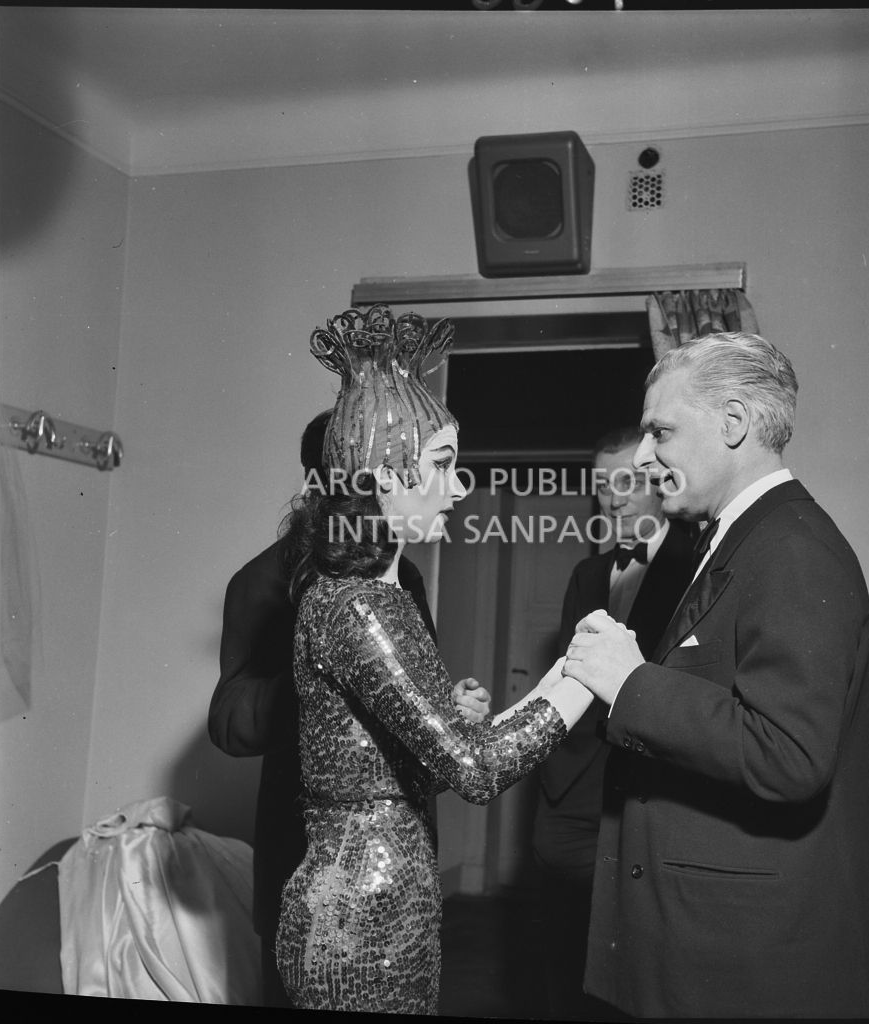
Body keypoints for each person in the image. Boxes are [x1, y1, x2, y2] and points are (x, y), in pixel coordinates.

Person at [563, 332, 869, 1018]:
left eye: (660, 430)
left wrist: (630, 685)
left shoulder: (793, 550)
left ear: (733, 423)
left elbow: (789, 755)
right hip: (709, 948)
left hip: (752, 962)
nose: (642, 455)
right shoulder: (734, 542)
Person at [273, 304, 594, 1014]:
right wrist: (579, 684)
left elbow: (422, 754)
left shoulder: (374, 596)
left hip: (383, 899)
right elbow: (473, 770)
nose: (457, 487)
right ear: (381, 476)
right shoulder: (357, 605)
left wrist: (548, 682)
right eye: (442, 466)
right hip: (358, 919)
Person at [207, 409, 491, 1007]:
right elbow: (227, 719)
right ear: (326, 478)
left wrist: (447, 706)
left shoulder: (404, 571)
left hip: (401, 852)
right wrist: (324, 680)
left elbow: (408, 690)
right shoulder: (260, 582)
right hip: (308, 863)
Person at [531, 425, 697, 1021]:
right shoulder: (587, 574)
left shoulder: (699, 566)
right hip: (570, 793)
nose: (614, 497)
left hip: (643, 795)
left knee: (633, 973)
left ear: (657, 482)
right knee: (564, 960)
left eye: (627, 481)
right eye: (603, 485)